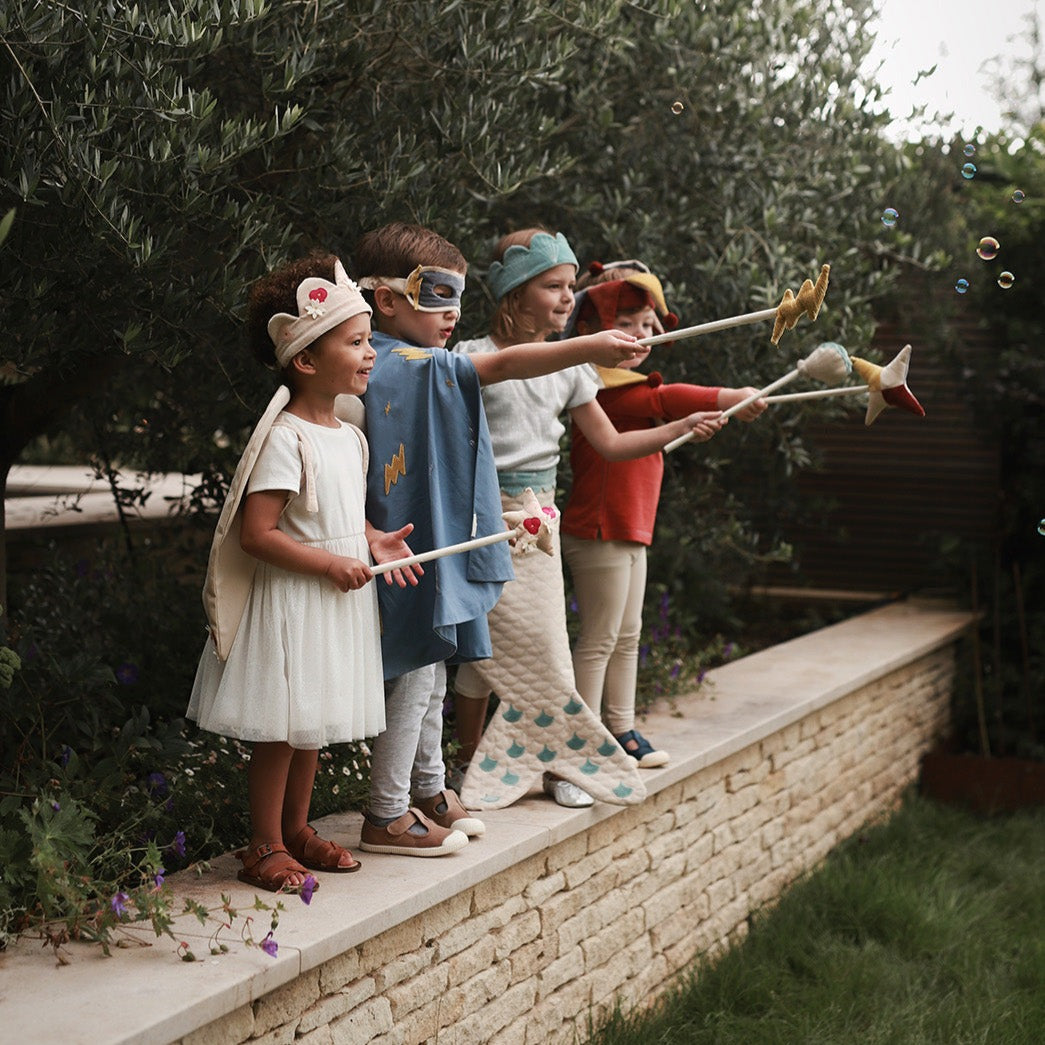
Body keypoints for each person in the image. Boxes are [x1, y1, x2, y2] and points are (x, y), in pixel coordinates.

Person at [352, 222, 647, 853]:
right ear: (387, 299)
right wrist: (588, 346)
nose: (452, 312)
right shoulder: (389, 363)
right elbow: (508, 363)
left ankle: (428, 788)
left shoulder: (417, 362)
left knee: (433, 671)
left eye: (458, 296)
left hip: (424, 545)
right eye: (435, 294)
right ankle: (384, 811)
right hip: (396, 549)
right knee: (415, 673)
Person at [451, 229, 725, 809]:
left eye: (572, 287)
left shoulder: (575, 371)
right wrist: (588, 348)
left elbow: (611, 444)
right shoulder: (470, 356)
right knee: (480, 653)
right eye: (553, 285)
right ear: (513, 293)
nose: (567, 297)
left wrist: (680, 427)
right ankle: (468, 756)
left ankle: (557, 766)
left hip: (539, 527)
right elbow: (508, 369)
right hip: (483, 518)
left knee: (548, 646)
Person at [187, 253, 418, 892]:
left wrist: (372, 540)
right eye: (357, 342)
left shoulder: (349, 435)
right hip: (293, 601)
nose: (372, 353)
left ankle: (296, 829)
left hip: (333, 596)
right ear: (308, 361)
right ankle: (261, 843)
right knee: (282, 728)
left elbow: (337, 516)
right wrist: (331, 562)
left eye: (370, 339)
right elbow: (258, 534)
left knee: (311, 722)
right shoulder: (287, 438)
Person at [560, 260, 767, 768]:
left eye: (650, 327)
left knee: (627, 634)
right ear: (590, 331)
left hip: (628, 531)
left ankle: (622, 729)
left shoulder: (627, 391)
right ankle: (580, 742)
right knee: (600, 638)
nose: (641, 335)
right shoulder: (608, 391)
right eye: (627, 323)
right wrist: (731, 396)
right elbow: (669, 397)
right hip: (600, 529)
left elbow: (665, 399)